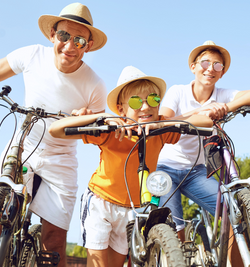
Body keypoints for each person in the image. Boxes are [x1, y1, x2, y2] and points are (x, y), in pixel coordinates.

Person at [0, 3, 108, 266]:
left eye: (79, 40)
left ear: (88, 44)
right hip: (23, 144)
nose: (69, 46)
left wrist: (86, 119)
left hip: (61, 157)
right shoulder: (31, 55)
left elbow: (99, 137)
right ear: (52, 34)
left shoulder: (95, 84)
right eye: (63, 36)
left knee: (54, 239)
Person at [49, 66, 213, 267]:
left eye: (153, 100)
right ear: (121, 109)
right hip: (101, 203)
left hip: (132, 211)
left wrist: (162, 125)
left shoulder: (160, 129)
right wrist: (101, 117)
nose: (145, 107)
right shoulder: (109, 129)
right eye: (136, 101)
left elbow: (206, 122)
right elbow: (55, 129)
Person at [156, 40, 250, 265]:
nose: (211, 69)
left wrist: (225, 107)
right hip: (166, 168)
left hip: (197, 172)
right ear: (193, 66)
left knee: (233, 213)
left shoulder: (223, 95)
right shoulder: (177, 91)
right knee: (173, 229)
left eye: (218, 66)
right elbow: (164, 121)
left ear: (222, 72)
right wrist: (201, 112)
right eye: (205, 63)